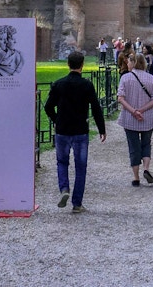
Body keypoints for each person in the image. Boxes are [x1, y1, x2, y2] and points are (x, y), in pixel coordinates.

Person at [43, 50, 106, 214]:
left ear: (68, 64)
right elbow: (96, 109)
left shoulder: (59, 84)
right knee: (80, 167)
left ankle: (64, 188)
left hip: (63, 129)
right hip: (80, 130)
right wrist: (101, 129)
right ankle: (77, 203)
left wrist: (56, 120)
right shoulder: (86, 85)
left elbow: (48, 106)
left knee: (62, 162)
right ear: (82, 65)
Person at [117, 51, 153, 186]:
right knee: (146, 144)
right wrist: (141, 110)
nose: (127, 63)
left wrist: (134, 111)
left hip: (130, 118)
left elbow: (120, 98)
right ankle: (146, 169)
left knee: (133, 146)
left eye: (129, 61)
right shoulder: (151, 78)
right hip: (147, 117)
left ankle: (136, 177)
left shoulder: (126, 78)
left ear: (134, 62)